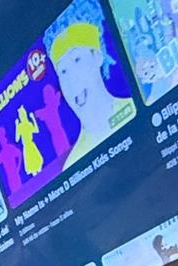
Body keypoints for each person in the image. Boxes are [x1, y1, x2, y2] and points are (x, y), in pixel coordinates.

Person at [50, 19, 135, 165]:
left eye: (77, 60)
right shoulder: (73, 163)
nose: (71, 79)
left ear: (97, 56)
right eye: (63, 71)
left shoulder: (135, 109)